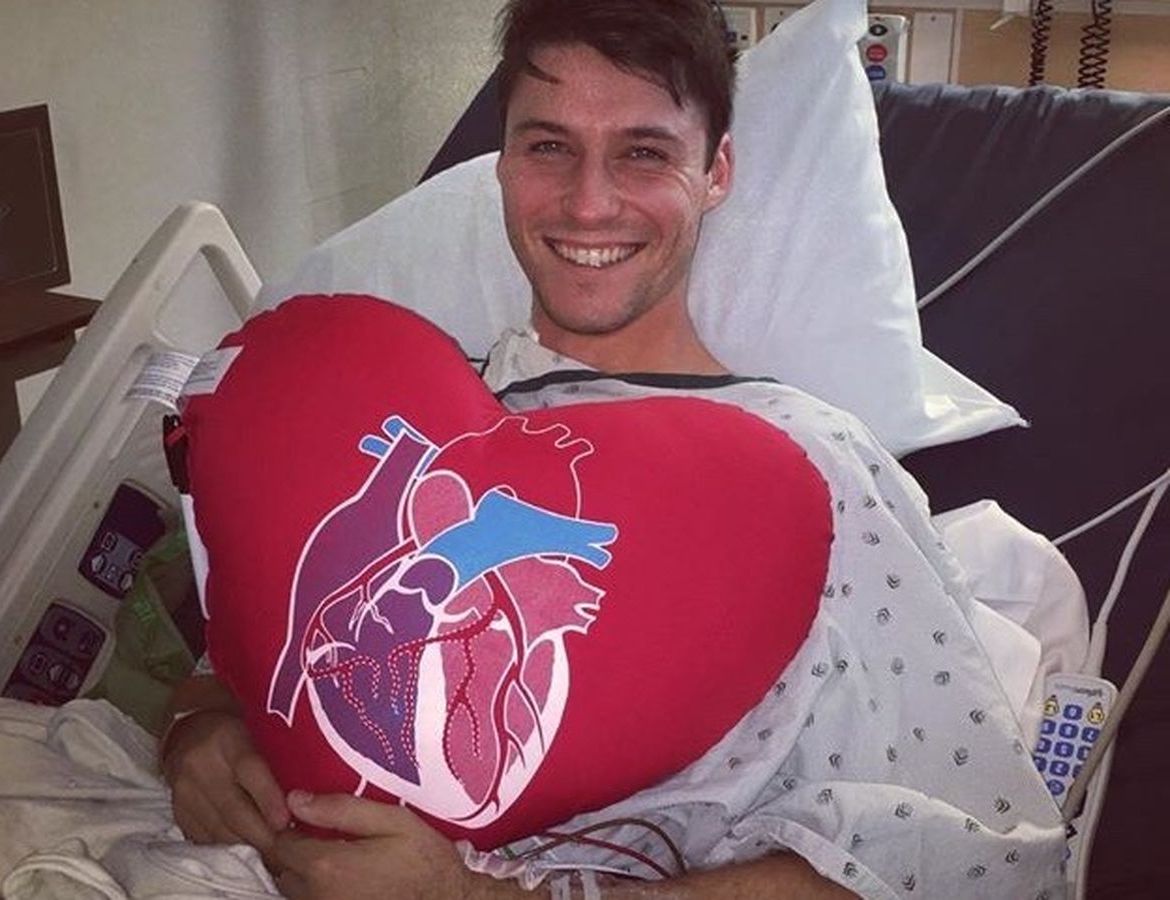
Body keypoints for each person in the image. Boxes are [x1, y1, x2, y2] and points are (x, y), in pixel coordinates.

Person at [162, 2, 1067, 898]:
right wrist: (196, 734)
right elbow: (252, 645)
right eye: (549, 146)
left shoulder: (808, 464)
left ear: (715, 173)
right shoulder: (388, 420)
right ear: (504, 165)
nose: (589, 203)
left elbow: (975, 862)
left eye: (643, 153)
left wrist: (475, 898)